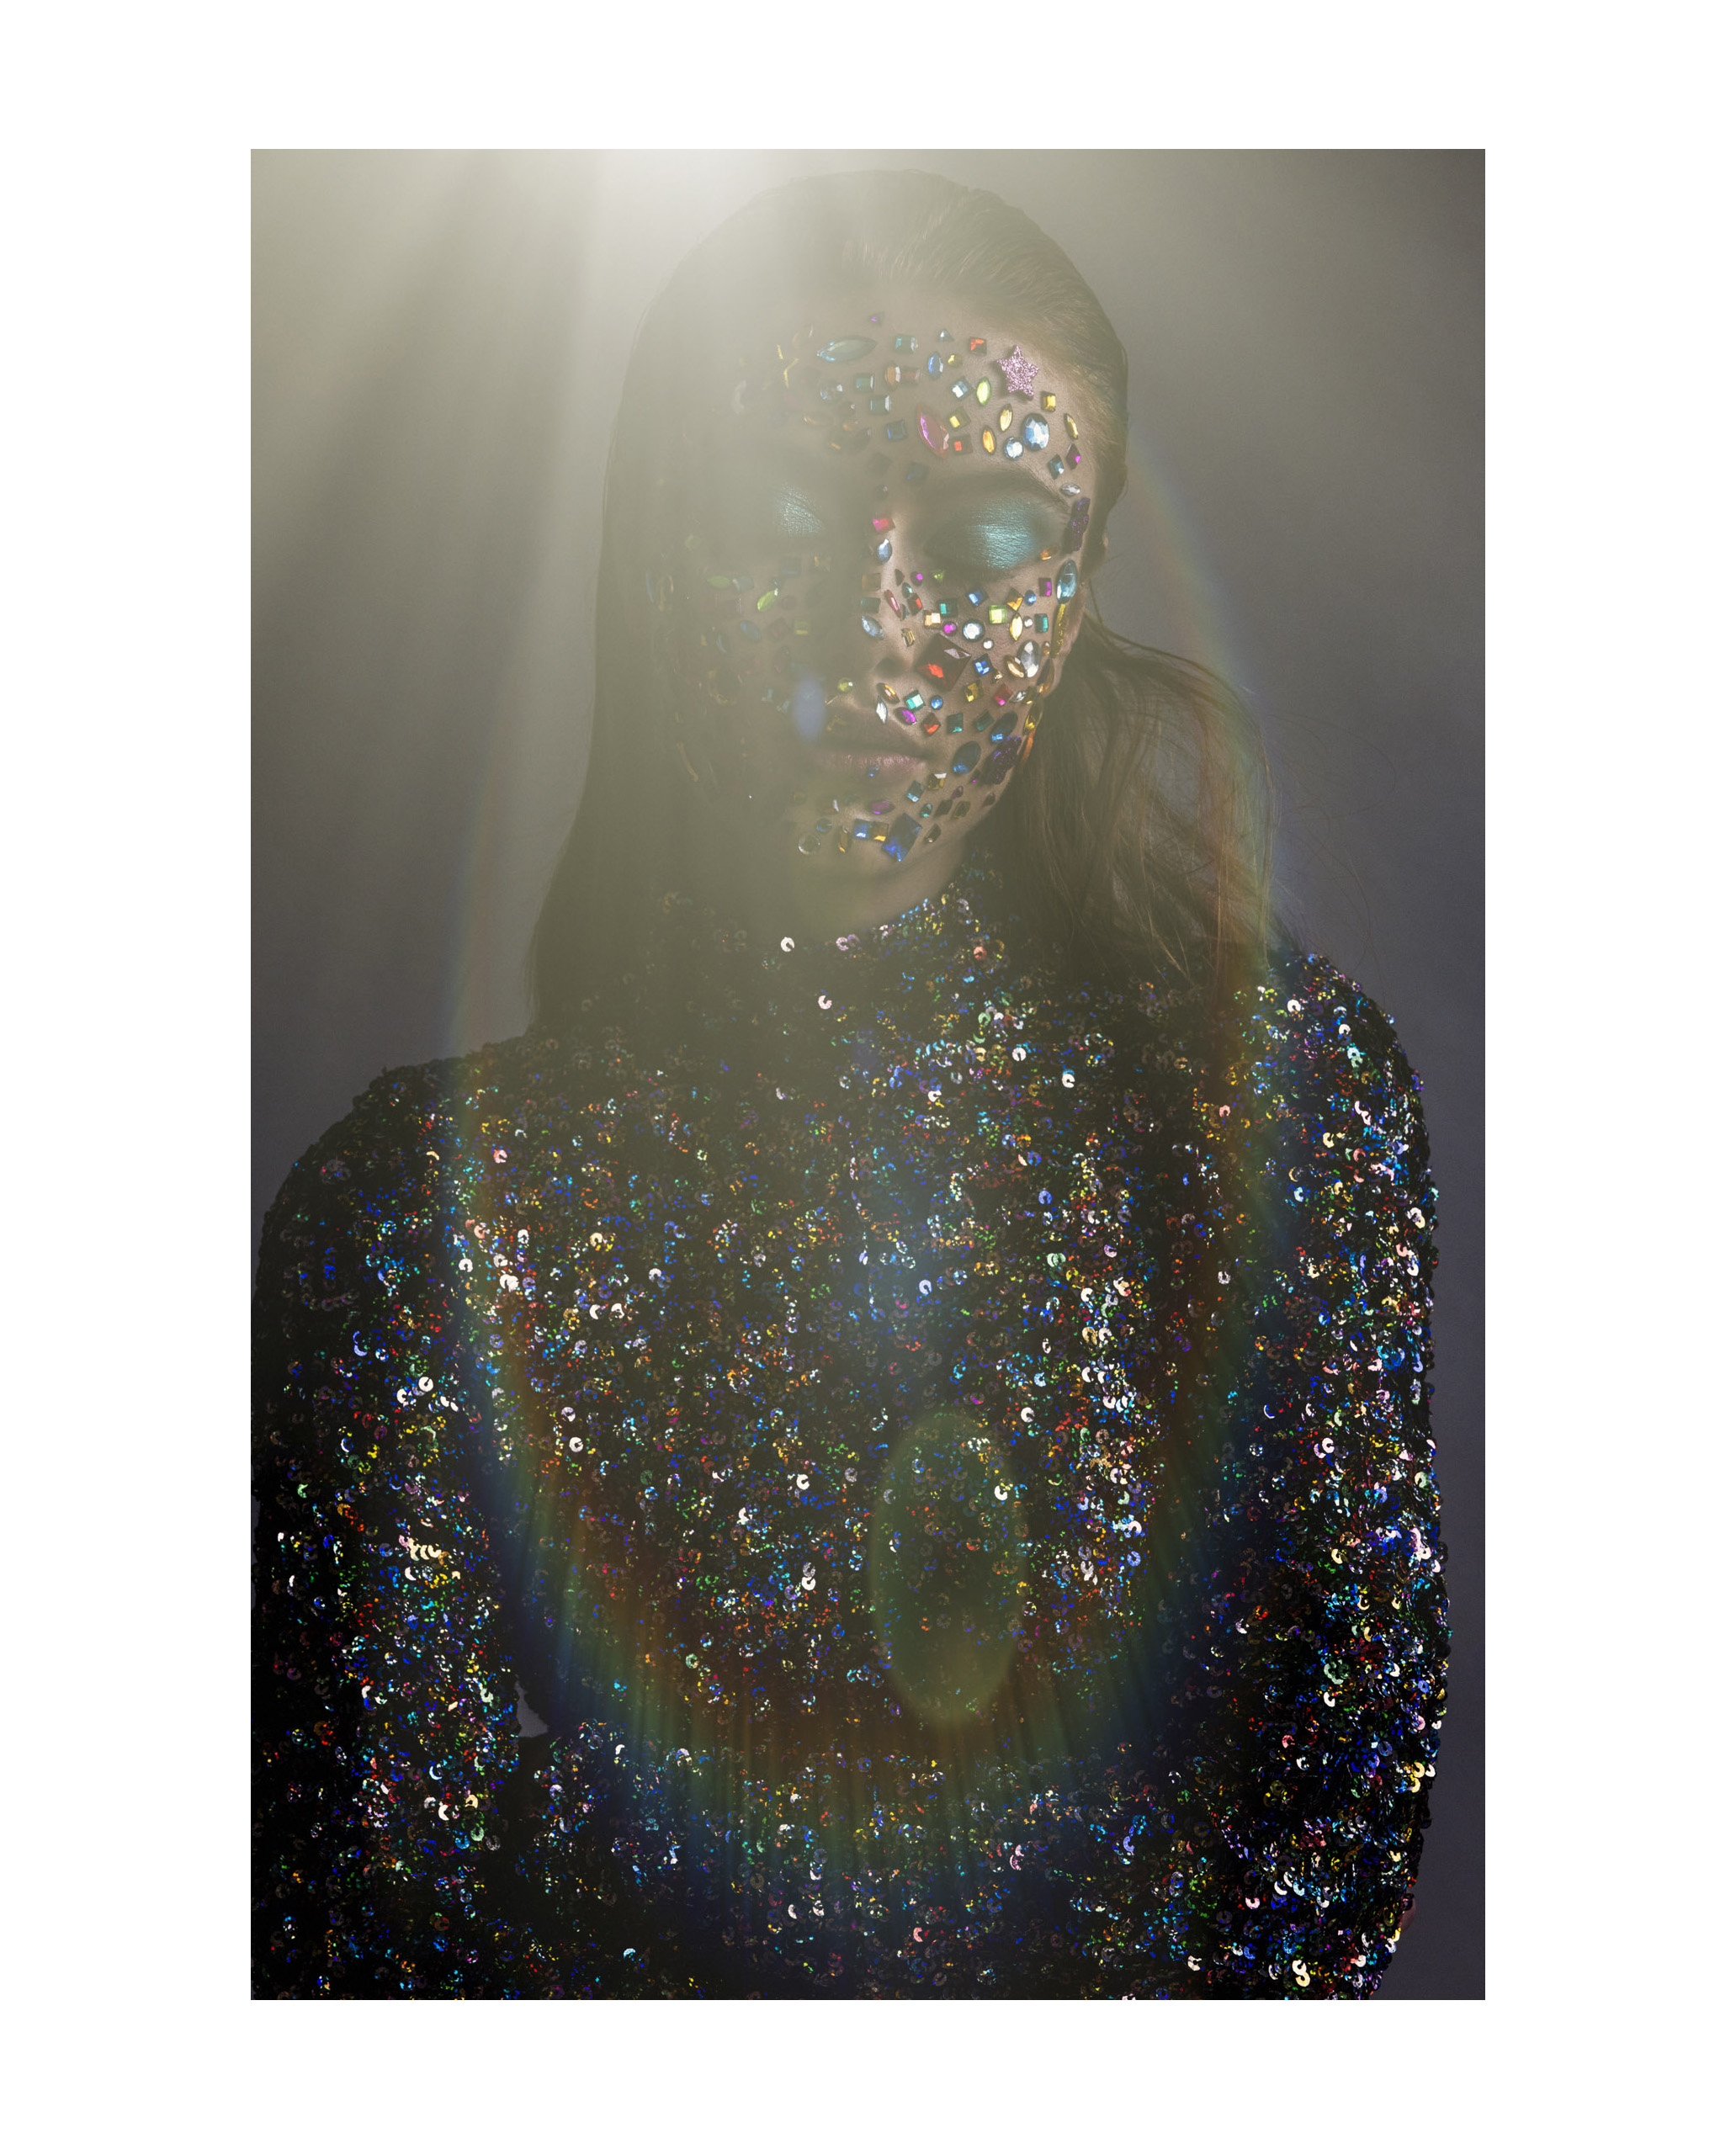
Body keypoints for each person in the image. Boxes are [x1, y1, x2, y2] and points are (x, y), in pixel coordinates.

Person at [252, 168, 1449, 1998]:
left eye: (986, 538)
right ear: (658, 551)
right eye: (777, 516)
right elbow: (359, 1941)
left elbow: (1331, 1816)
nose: (870, 619)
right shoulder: (419, 1223)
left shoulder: (1272, 1111)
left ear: (1075, 591)